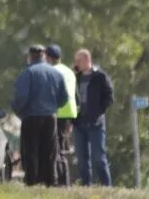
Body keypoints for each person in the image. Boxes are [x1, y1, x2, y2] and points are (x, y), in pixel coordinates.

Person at [11, 44, 68, 187]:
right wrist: (53, 107)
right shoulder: (56, 74)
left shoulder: (27, 73)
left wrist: (18, 110)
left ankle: (32, 181)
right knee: (49, 150)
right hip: (50, 117)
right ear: (43, 55)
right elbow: (64, 98)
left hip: (31, 116)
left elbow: (21, 97)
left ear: (30, 57)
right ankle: (50, 181)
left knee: (31, 149)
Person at [72, 48, 114, 186]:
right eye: (76, 60)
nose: (77, 63)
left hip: (96, 122)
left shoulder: (100, 76)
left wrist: (98, 111)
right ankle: (86, 185)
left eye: (79, 60)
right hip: (79, 122)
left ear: (87, 60)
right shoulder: (75, 77)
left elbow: (108, 97)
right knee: (82, 158)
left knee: (98, 157)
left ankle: (106, 186)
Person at [45, 44, 78, 187]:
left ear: (47, 57)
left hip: (56, 111)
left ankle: (60, 180)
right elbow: (75, 94)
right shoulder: (69, 72)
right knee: (62, 146)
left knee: (55, 147)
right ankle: (64, 179)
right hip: (69, 112)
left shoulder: (51, 71)